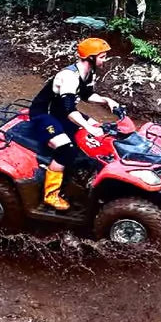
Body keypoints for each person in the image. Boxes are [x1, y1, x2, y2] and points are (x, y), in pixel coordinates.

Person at [29, 38, 120, 211]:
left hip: (61, 111)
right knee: (66, 149)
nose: (105, 60)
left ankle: (83, 173)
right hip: (45, 114)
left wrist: (106, 100)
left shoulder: (89, 72)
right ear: (90, 57)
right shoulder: (69, 77)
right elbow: (70, 109)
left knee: (98, 129)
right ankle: (51, 195)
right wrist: (87, 127)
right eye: (102, 57)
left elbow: (86, 95)